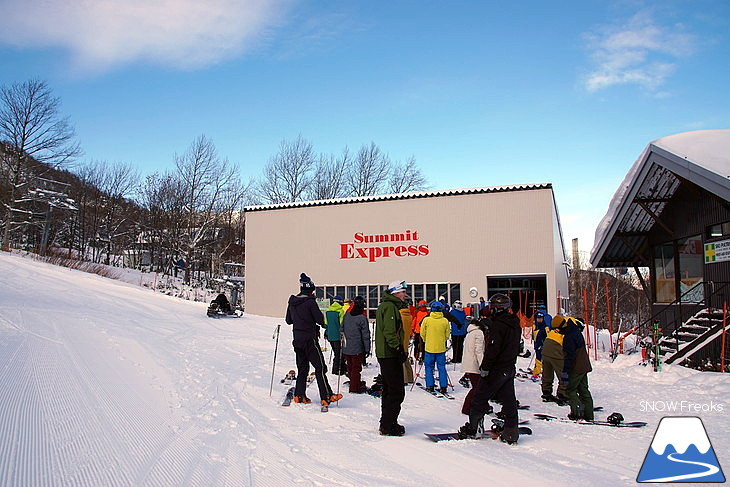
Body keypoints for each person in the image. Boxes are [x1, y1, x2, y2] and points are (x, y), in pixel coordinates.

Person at [458, 293, 522, 444]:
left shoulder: (498, 325)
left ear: (497, 309)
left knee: (479, 398)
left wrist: (485, 367)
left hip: (497, 368)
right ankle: (511, 430)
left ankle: (474, 428)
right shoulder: (514, 324)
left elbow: (493, 348)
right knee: (509, 400)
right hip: (508, 366)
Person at [285, 273, 342, 408]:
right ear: (311, 290)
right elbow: (320, 320)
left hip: (297, 340)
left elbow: (288, 320)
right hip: (309, 340)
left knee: (302, 368)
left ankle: (299, 395)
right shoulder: (310, 302)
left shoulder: (292, 302)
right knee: (320, 367)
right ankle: (326, 395)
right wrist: (324, 324)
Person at [375, 280, 410, 436]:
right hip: (389, 354)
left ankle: (387, 422)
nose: (405, 295)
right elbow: (389, 332)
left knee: (389, 389)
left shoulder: (388, 306)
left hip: (386, 353)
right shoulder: (389, 307)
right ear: (395, 292)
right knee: (396, 391)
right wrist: (398, 348)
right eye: (403, 292)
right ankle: (389, 425)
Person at [562, 317, 594, 420]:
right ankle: (589, 414)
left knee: (571, 390)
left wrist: (565, 372)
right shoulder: (576, 331)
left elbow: (569, 356)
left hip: (577, 367)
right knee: (584, 390)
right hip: (584, 365)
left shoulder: (568, 337)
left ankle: (577, 412)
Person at [461, 315, 490, 414]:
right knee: (477, 388)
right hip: (475, 364)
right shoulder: (479, 333)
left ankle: (479, 406)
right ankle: (467, 408)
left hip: (469, 362)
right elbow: (479, 351)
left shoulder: (471, 332)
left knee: (478, 387)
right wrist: (483, 365)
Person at [342, 296, 371, 393]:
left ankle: (355, 383)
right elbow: (366, 335)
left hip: (347, 346)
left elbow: (341, 330)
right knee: (356, 368)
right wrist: (367, 348)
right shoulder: (362, 318)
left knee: (350, 367)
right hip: (357, 348)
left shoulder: (347, 315)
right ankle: (354, 387)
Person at [420, 300, 451, 394]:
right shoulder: (445, 321)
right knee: (441, 367)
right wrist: (442, 340)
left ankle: (430, 385)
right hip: (441, 348)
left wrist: (426, 340)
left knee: (429, 367)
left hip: (429, 348)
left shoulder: (427, 320)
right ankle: (444, 386)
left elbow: (422, 333)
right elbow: (447, 334)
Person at [541, 315, 568, 404]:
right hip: (556, 352)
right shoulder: (566, 330)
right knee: (563, 374)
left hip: (545, 350)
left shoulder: (553, 330)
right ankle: (562, 394)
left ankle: (546, 392)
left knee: (547, 373)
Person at [325, 296, 347, 375]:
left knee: (337, 352)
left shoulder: (328, 311)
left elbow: (325, 324)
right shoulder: (340, 311)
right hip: (338, 335)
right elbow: (342, 324)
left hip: (330, 335)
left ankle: (343, 367)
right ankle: (336, 369)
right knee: (339, 354)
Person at [532, 310, 549, 377]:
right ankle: (538, 369)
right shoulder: (535, 326)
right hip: (537, 345)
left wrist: (544, 345)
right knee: (538, 359)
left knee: (539, 359)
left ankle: (537, 372)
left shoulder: (545, 327)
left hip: (542, 346)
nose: (539, 319)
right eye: (538, 318)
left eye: (541, 318)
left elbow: (547, 337)